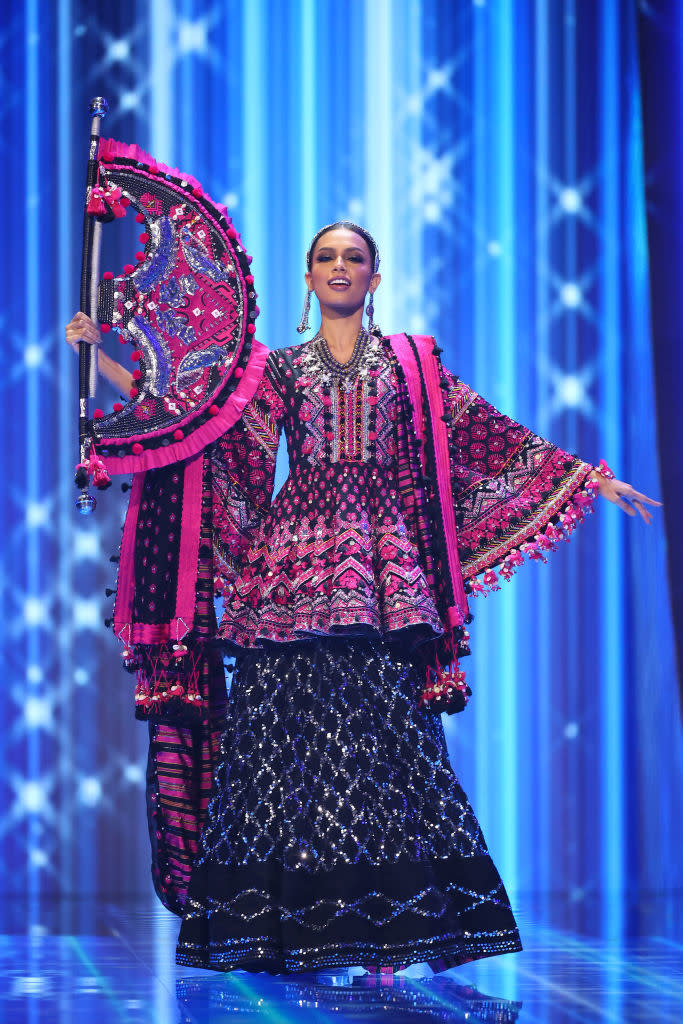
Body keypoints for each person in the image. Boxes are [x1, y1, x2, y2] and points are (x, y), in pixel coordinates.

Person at [65, 221, 659, 977]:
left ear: (374, 278)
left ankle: (387, 934)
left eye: (354, 258)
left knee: (387, 745)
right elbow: (196, 430)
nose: (339, 267)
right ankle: (284, 935)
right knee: (275, 745)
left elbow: (481, 433)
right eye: (325, 258)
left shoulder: (409, 364)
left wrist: (583, 478)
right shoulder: (276, 369)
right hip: (292, 566)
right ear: (307, 280)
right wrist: (106, 360)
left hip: (382, 568)